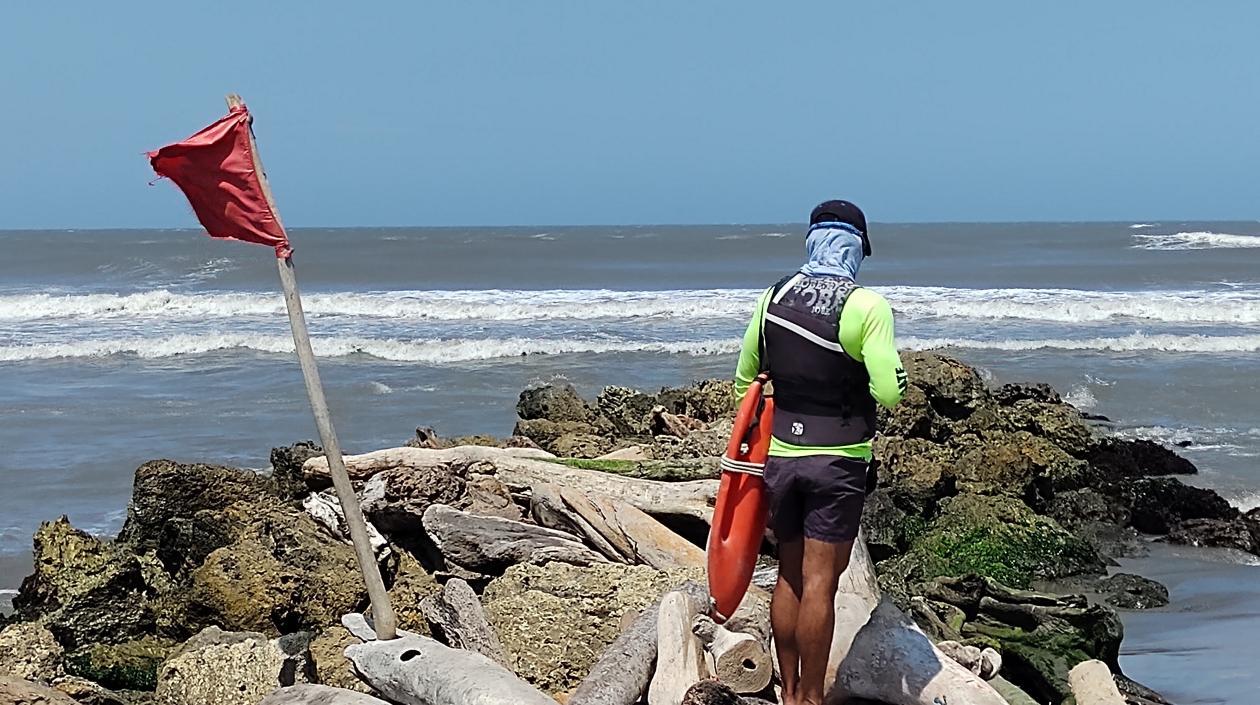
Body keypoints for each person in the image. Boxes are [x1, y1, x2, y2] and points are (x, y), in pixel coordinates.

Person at [733, 199, 905, 705]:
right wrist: (898, 376)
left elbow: (746, 377)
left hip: (782, 458)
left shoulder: (772, 298)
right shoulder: (866, 307)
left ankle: (787, 693)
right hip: (839, 459)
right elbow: (889, 391)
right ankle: (811, 698)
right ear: (857, 247)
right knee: (820, 583)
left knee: (788, 575)